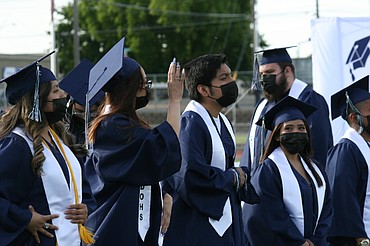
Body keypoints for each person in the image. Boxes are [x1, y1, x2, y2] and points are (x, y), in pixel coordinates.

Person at [84, 37, 184, 246]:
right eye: (143, 83)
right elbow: (162, 148)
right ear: (130, 88)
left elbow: (148, 162)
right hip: (115, 227)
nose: (146, 89)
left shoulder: (121, 123)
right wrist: (174, 100)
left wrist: (165, 192)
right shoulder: (112, 127)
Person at [163, 54, 260, 246]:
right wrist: (232, 177)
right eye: (224, 78)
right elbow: (190, 178)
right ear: (204, 90)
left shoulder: (222, 121)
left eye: (230, 76)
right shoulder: (190, 125)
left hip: (227, 221)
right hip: (197, 227)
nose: (232, 82)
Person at [0, 52, 96, 245]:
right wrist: (25, 219)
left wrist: (86, 208)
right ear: (36, 100)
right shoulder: (17, 145)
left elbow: (81, 189)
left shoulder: (61, 139)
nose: (63, 95)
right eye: (55, 91)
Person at [243, 96, 333, 246]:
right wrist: (297, 241)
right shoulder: (268, 170)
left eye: (301, 128)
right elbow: (265, 215)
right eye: (289, 129)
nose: (296, 132)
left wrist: (315, 240)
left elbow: (327, 209)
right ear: (277, 136)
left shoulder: (316, 169)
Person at [240, 47, 333, 174]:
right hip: (259, 186)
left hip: (293, 186)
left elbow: (316, 150)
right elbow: (249, 151)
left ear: (287, 71)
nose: (264, 79)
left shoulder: (309, 100)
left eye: (270, 72)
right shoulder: (263, 105)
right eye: (262, 74)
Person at [325, 75, 370, 246]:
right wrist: (360, 238)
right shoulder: (346, 150)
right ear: (353, 117)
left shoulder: (366, 146)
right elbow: (342, 199)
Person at [59, 58, 104, 146]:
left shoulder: (104, 127)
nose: (86, 115)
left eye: (93, 112)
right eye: (80, 111)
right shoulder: (66, 129)